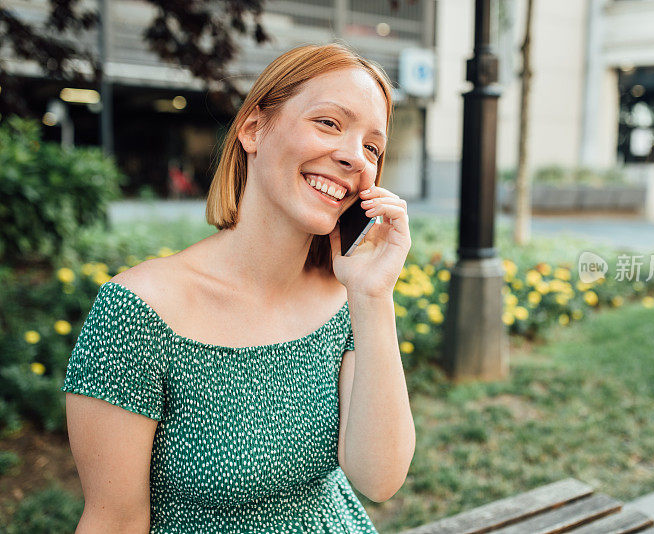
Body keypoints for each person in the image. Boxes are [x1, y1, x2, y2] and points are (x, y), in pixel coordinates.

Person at [61, 43, 415, 532]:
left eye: (373, 146)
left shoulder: (348, 296)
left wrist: (373, 297)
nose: (355, 157)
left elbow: (379, 480)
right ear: (253, 128)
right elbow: (113, 521)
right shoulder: (139, 311)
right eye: (329, 123)